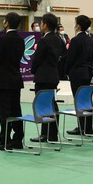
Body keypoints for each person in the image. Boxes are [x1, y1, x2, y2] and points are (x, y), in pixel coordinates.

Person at [0, 12, 25, 151]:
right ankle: (18, 139)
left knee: (4, 111)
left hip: (4, 79)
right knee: (16, 110)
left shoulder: (2, 39)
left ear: (7, 23)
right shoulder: (20, 40)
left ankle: (5, 140)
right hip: (16, 78)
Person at [30, 13, 61, 143]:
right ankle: (52, 133)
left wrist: (33, 70)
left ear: (45, 25)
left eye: (42, 22)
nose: (40, 25)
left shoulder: (44, 40)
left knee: (43, 104)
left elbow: (37, 59)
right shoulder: (58, 38)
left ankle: (44, 134)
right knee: (52, 103)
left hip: (43, 76)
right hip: (53, 75)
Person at [65, 15, 93, 135]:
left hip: (77, 72)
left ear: (78, 26)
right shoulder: (89, 39)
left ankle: (81, 127)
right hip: (87, 71)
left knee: (78, 100)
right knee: (86, 99)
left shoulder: (76, 40)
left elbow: (70, 58)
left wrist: (66, 72)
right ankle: (88, 127)